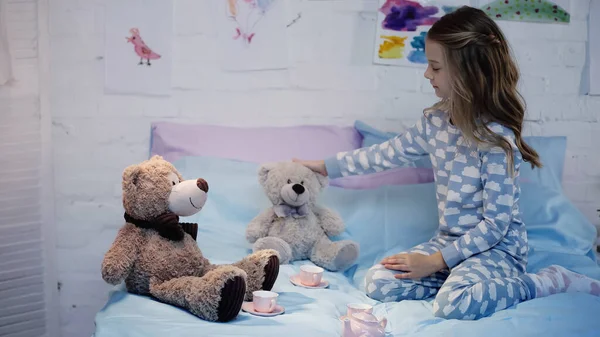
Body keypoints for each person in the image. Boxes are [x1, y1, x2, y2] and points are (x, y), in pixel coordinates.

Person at [293, 6, 600, 320]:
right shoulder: (434, 122)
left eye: (435, 67)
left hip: (495, 251)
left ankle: (546, 281)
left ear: (466, 72)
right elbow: (385, 154)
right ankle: (460, 283)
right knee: (378, 282)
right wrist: (326, 166)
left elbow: (496, 226)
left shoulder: (497, 141)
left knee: (453, 305)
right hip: (448, 246)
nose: (427, 74)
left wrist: (437, 261)